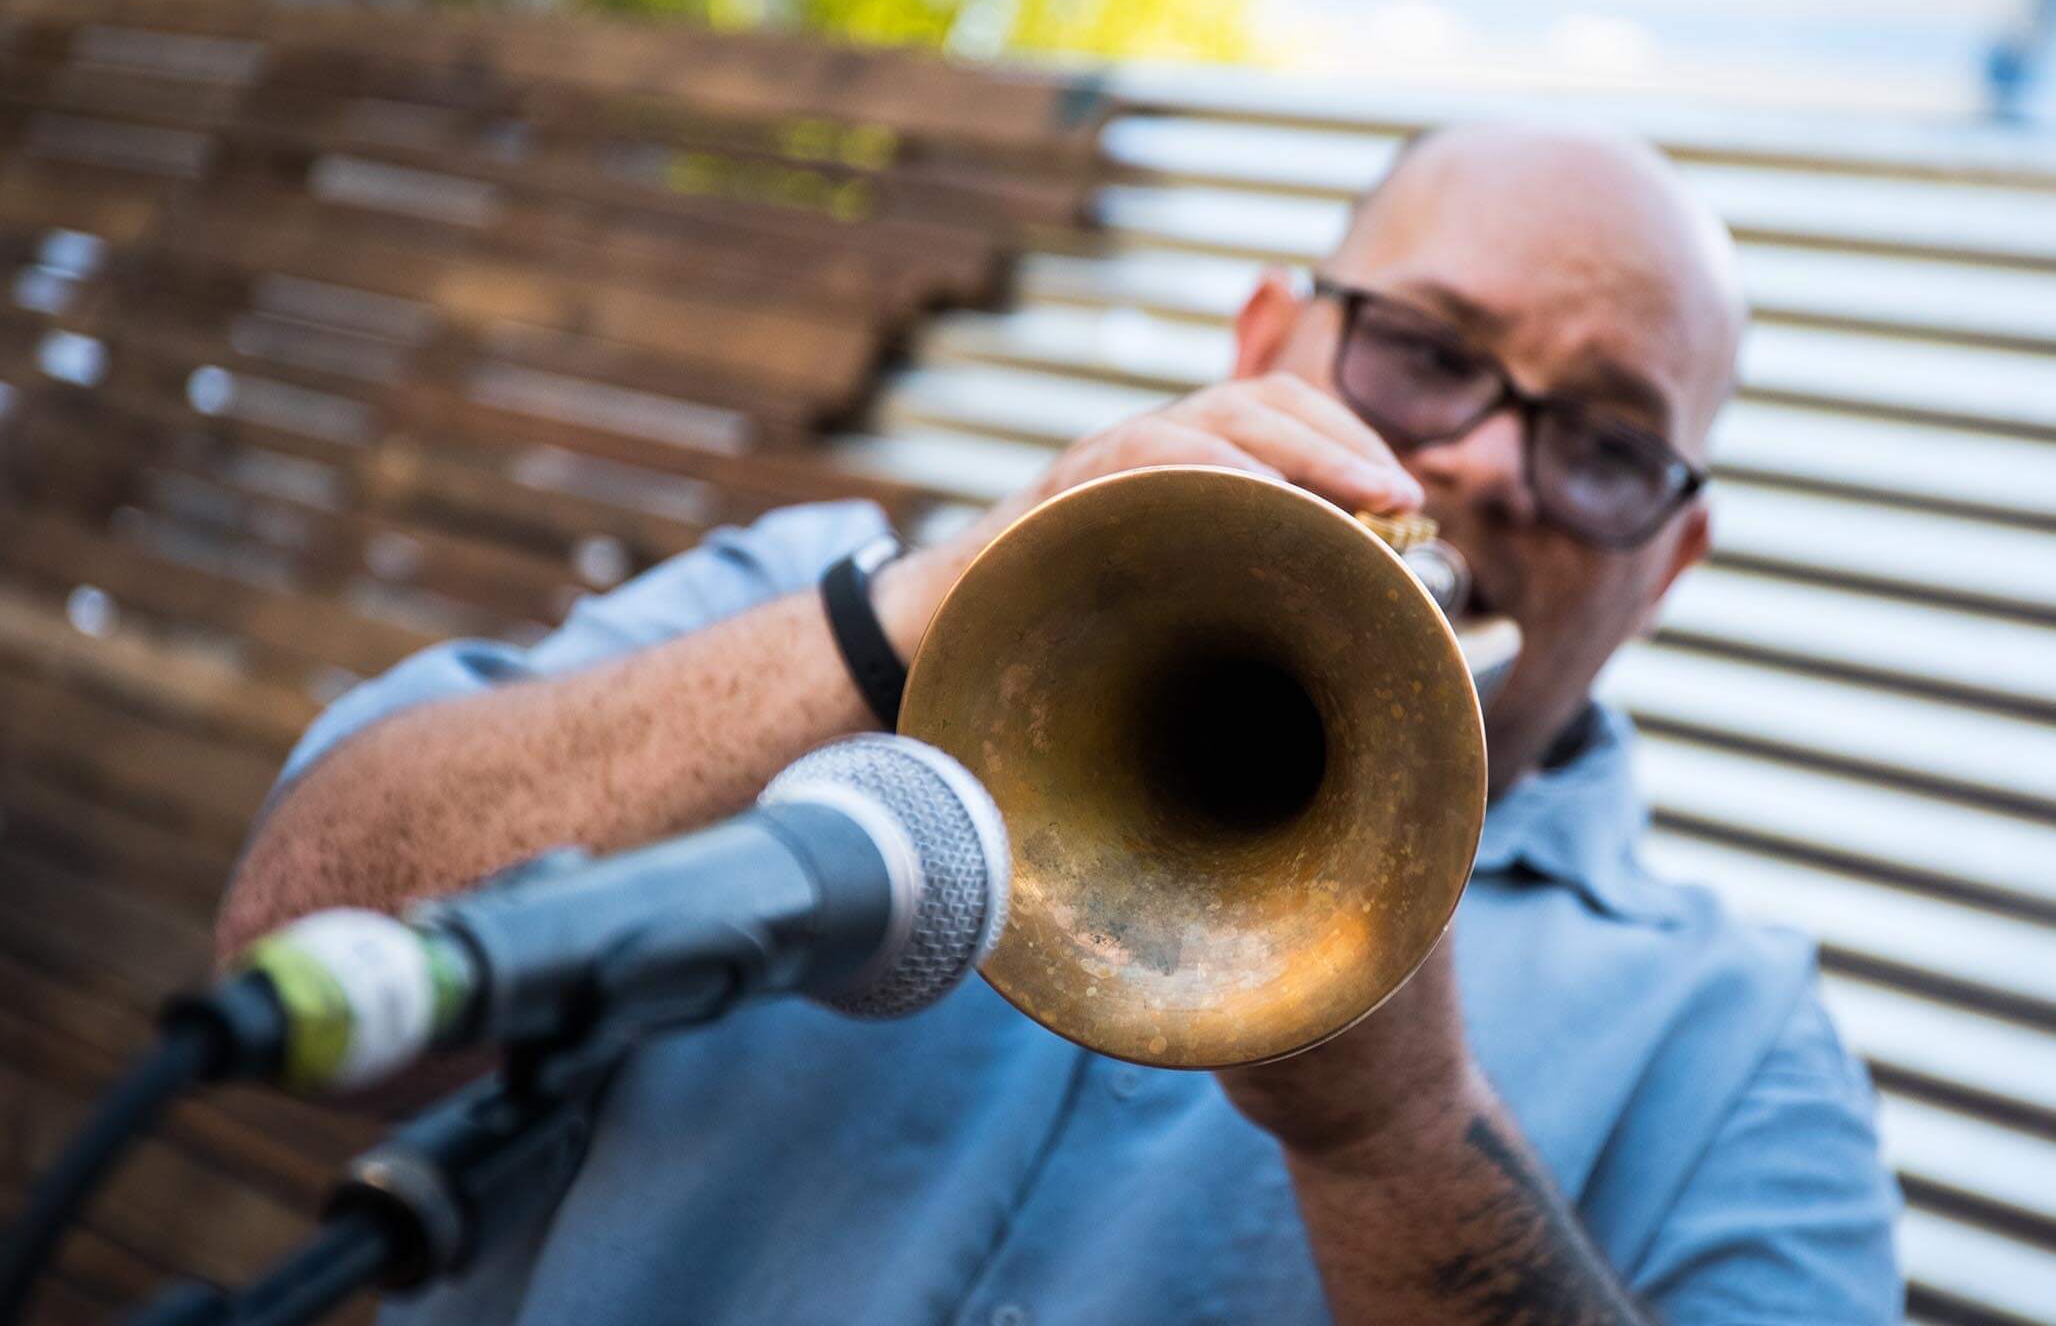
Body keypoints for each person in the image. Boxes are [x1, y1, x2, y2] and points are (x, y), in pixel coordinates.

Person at [220, 124, 1902, 1324]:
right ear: (1269, 337)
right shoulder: (815, 597)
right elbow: (296, 943)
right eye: (1423, 351)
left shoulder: (1739, 1050)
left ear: (1668, 561)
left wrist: (1397, 1134)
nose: (1480, 464)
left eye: (1605, 444)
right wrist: (939, 608)